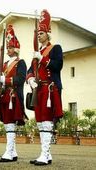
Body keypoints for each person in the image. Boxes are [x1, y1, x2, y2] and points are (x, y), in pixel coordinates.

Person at [26, 10, 63, 166]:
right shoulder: (37, 52)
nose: (39, 35)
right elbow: (29, 70)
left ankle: (44, 154)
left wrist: (43, 59)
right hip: (38, 89)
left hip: (50, 89)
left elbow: (58, 65)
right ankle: (46, 155)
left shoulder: (55, 48)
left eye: (42, 33)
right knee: (40, 122)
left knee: (47, 121)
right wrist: (31, 79)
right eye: (38, 33)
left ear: (48, 33)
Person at [0, 25, 27, 162]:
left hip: (14, 97)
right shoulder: (5, 63)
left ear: (16, 49)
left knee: (11, 124)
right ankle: (12, 152)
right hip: (4, 97)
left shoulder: (21, 62)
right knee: (7, 124)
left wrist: (5, 80)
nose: (9, 50)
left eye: (11, 47)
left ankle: (9, 152)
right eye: (8, 47)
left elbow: (20, 79)